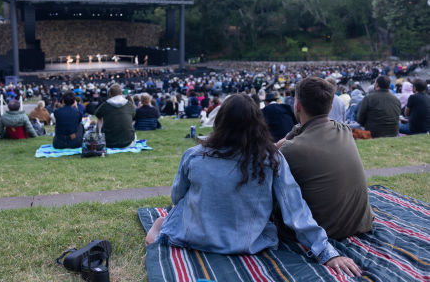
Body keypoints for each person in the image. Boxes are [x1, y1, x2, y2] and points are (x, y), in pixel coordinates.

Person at [146, 94, 361, 277]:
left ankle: (159, 227)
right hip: (248, 243)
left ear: (219, 122)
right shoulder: (271, 159)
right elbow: (295, 209)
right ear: (258, 124)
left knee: (176, 210)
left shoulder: (193, 155)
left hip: (195, 237)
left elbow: (177, 196)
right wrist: (326, 251)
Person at [278, 77, 373, 240]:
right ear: (330, 107)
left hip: (324, 231)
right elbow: (303, 130)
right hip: (359, 223)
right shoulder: (344, 131)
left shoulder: (292, 149)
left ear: (298, 105)